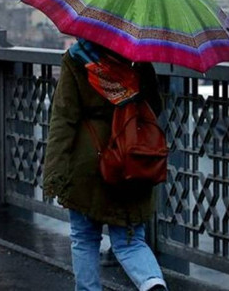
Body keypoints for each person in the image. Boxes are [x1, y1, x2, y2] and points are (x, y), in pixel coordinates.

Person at [43, 39, 167, 291]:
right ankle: (153, 284)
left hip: (89, 162)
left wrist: (54, 171)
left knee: (85, 238)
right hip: (130, 159)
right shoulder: (136, 58)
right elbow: (154, 107)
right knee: (130, 241)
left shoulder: (77, 59)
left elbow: (64, 119)